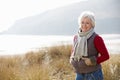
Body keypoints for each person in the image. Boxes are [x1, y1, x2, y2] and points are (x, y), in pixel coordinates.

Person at [70, 11, 109, 80]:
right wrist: (71, 59)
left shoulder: (97, 38)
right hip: (79, 74)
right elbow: (73, 51)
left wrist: (92, 61)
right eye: (82, 22)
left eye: (87, 23)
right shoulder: (76, 37)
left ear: (92, 24)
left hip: (93, 75)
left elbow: (106, 56)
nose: (84, 25)